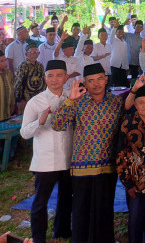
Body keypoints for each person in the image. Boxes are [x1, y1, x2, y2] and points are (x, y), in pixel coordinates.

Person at [51, 63, 123, 243]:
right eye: (91, 81)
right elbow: (57, 124)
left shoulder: (116, 102)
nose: (96, 84)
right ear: (85, 82)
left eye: (100, 79)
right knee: (82, 210)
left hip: (108, 166)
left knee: (105, 208)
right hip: (82, 167)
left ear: (106, 79)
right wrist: (70, 100)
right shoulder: (78, 102)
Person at [19, 60, 73, 243]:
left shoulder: (71, 98)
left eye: (59, 75)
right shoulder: (36, 102)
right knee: (40, 202)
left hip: (68, 158)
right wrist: (40, 122)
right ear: (45, 78)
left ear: (66, 77)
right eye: (50, 76)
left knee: (66, 197)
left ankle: (62, 231)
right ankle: (38, 238)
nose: (55, 80)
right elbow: (24, 132)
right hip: (46, 161)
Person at [116, 85, 145, 243]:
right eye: (141, 103)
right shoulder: (127, 123)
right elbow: (120, 154)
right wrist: (127, 184)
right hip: (135, 183)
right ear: (135, 104)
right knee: (135, 221)